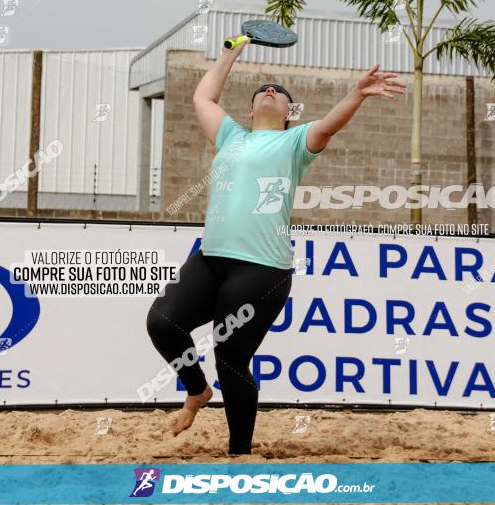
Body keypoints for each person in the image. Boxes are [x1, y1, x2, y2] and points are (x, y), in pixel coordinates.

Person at [146, 40, 405, 455]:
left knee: (231, 359)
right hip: (211, 259)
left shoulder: (296, 144)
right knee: (162, 324)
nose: (269, 90)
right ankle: (197, 390)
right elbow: (203, 96)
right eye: (261, 91)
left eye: (279, 92)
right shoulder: (231, 135)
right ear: (249, 110)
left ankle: (239, 454)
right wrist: (231, 51)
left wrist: (356, 94)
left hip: (261, 269)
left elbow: (329, 125)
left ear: (289, 112)